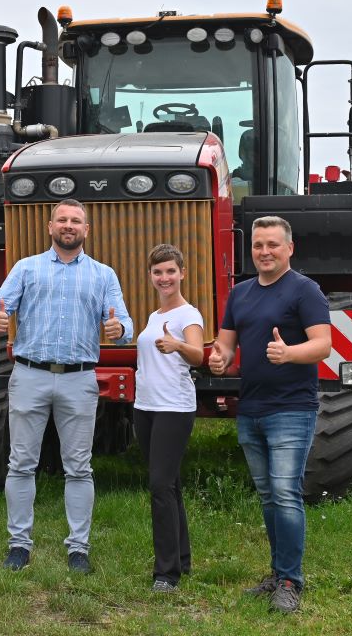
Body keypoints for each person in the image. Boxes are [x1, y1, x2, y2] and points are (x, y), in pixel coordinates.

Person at [0, 198, 132, 574]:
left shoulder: (103, 275)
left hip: (79, 379)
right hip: (30, 375)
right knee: (20, 465)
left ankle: (78, 549)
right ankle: (19, 545)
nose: (69, 225)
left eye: (76, 221)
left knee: (79, 468)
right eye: (62, 219)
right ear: (50, 227)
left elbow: (124, 322)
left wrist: (119, 330)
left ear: (86, 230)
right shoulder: (26, 268)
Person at [208, 216, 330, 613]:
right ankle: (278, 574)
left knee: (285, 492)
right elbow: (226, 347)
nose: (264, 252)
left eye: (273, 245)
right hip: (252, 408)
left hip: (292, 408)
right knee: (267, 496)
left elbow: (323, 345)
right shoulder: (240, 294)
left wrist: (289, 353)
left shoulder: (305, 290)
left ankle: (292, 580)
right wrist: (217, 358)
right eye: (258, 245)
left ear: (289, 248)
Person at [134, 244, 204, 593]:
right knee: (170, 484)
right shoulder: (153, 317)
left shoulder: (188, 315)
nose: (164, 278)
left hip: (173, 409)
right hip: (145, 408)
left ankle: (166, 574)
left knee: (160, 486)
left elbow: (199, 355)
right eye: (158, 272)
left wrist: (178, 346)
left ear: (182, 274)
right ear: (151, 276)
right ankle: (183, 559)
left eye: (170, 272)